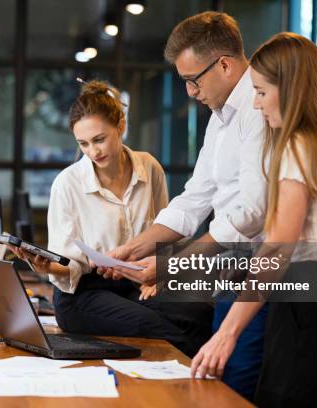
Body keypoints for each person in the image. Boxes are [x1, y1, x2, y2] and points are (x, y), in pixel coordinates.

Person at [189, 32, 317, 407]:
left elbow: (276, 249)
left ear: (291, 88)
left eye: (261, 91)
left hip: (306, 314)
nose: (256, 104)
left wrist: (227, 333)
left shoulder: (299, 145)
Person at [101, 11, 268, 401]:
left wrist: (173, 263)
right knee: (219, 381)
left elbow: (250, 212)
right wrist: (137, 248)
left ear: (224, 64)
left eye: (193, 80)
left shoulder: (259, 110)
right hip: (230, 270)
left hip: (261, 272)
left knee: (234, 387)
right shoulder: (220, 116)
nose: (190, 92)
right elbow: (196, 198)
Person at [9, 79, 213, 358]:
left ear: (120, 126)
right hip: (83, 294)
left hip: (136, 284)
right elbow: (70, 268)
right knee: (160, 327)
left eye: (99, 139)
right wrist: (44, 267)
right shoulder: (67, 184)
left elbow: (166, 232)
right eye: (84, 143)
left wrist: (160, 276)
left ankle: (192, 378)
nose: (94, 151)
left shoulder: (149, 168)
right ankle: (196, 383)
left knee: (198, 311)